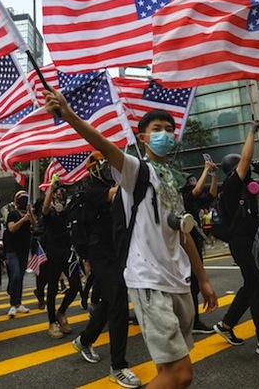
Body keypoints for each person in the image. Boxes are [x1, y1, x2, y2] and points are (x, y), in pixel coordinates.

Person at [45, 87, 218, 389]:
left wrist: (202, 279)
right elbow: (103, 144)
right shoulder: (136, 170)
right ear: (143, 138)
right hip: (149, 280)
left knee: (171, 373)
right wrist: (69, 115)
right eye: (157, 129)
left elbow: (184, 231)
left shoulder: (170, 179)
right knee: (180, 374)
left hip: (177, 280)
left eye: (169, 129)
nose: (164, 134)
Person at [213, 125, 259, 360]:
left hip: (253, 241)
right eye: (241, 167)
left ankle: (227, 325)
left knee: (254, 285)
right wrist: (252, 132)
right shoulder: (231, 187)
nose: (246, 169)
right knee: (257, 286)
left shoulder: (246, 187)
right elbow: (245, 159)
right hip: (241, 243)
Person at [71, 152, 141, 388]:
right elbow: (117, 194)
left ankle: (85, 339)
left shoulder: (113, 185)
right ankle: (118, 366)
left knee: (111, 301)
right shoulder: (93, 192)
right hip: (100, 252)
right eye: (106, 164)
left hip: (118, 251)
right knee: (119, 303)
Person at [181, 160, 218, 334]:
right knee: (191, 283)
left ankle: (193, 320)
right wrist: (205, 169)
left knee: (194, 283)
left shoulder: (193, 200)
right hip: (184, 244)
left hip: (195, 242)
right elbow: (196, 191)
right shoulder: (182, 197)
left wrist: (214, 175)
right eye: (191, 181)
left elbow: (210, 195)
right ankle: (191, 321)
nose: (194, 183)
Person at [41, 181, 81, 339]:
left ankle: (61, 312)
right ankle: (52, 322)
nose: (61, 194)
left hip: (68, 253)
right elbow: (44, 209)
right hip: (52, 254)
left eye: (62, 192)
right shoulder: (49, 212)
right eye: (57, 192)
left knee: (76, 285)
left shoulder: (69, 211)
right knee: (52, 289)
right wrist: (50, 188)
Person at [4, 190, 36, 318]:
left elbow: (35, 226)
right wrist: (23, 220)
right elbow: (11, 228)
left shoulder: (28, 215)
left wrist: (30, 214)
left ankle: (18, 303)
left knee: (20, 276)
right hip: (12, 250)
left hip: (23, 250)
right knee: (16, 274)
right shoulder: (12, 214)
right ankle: (13, 303)